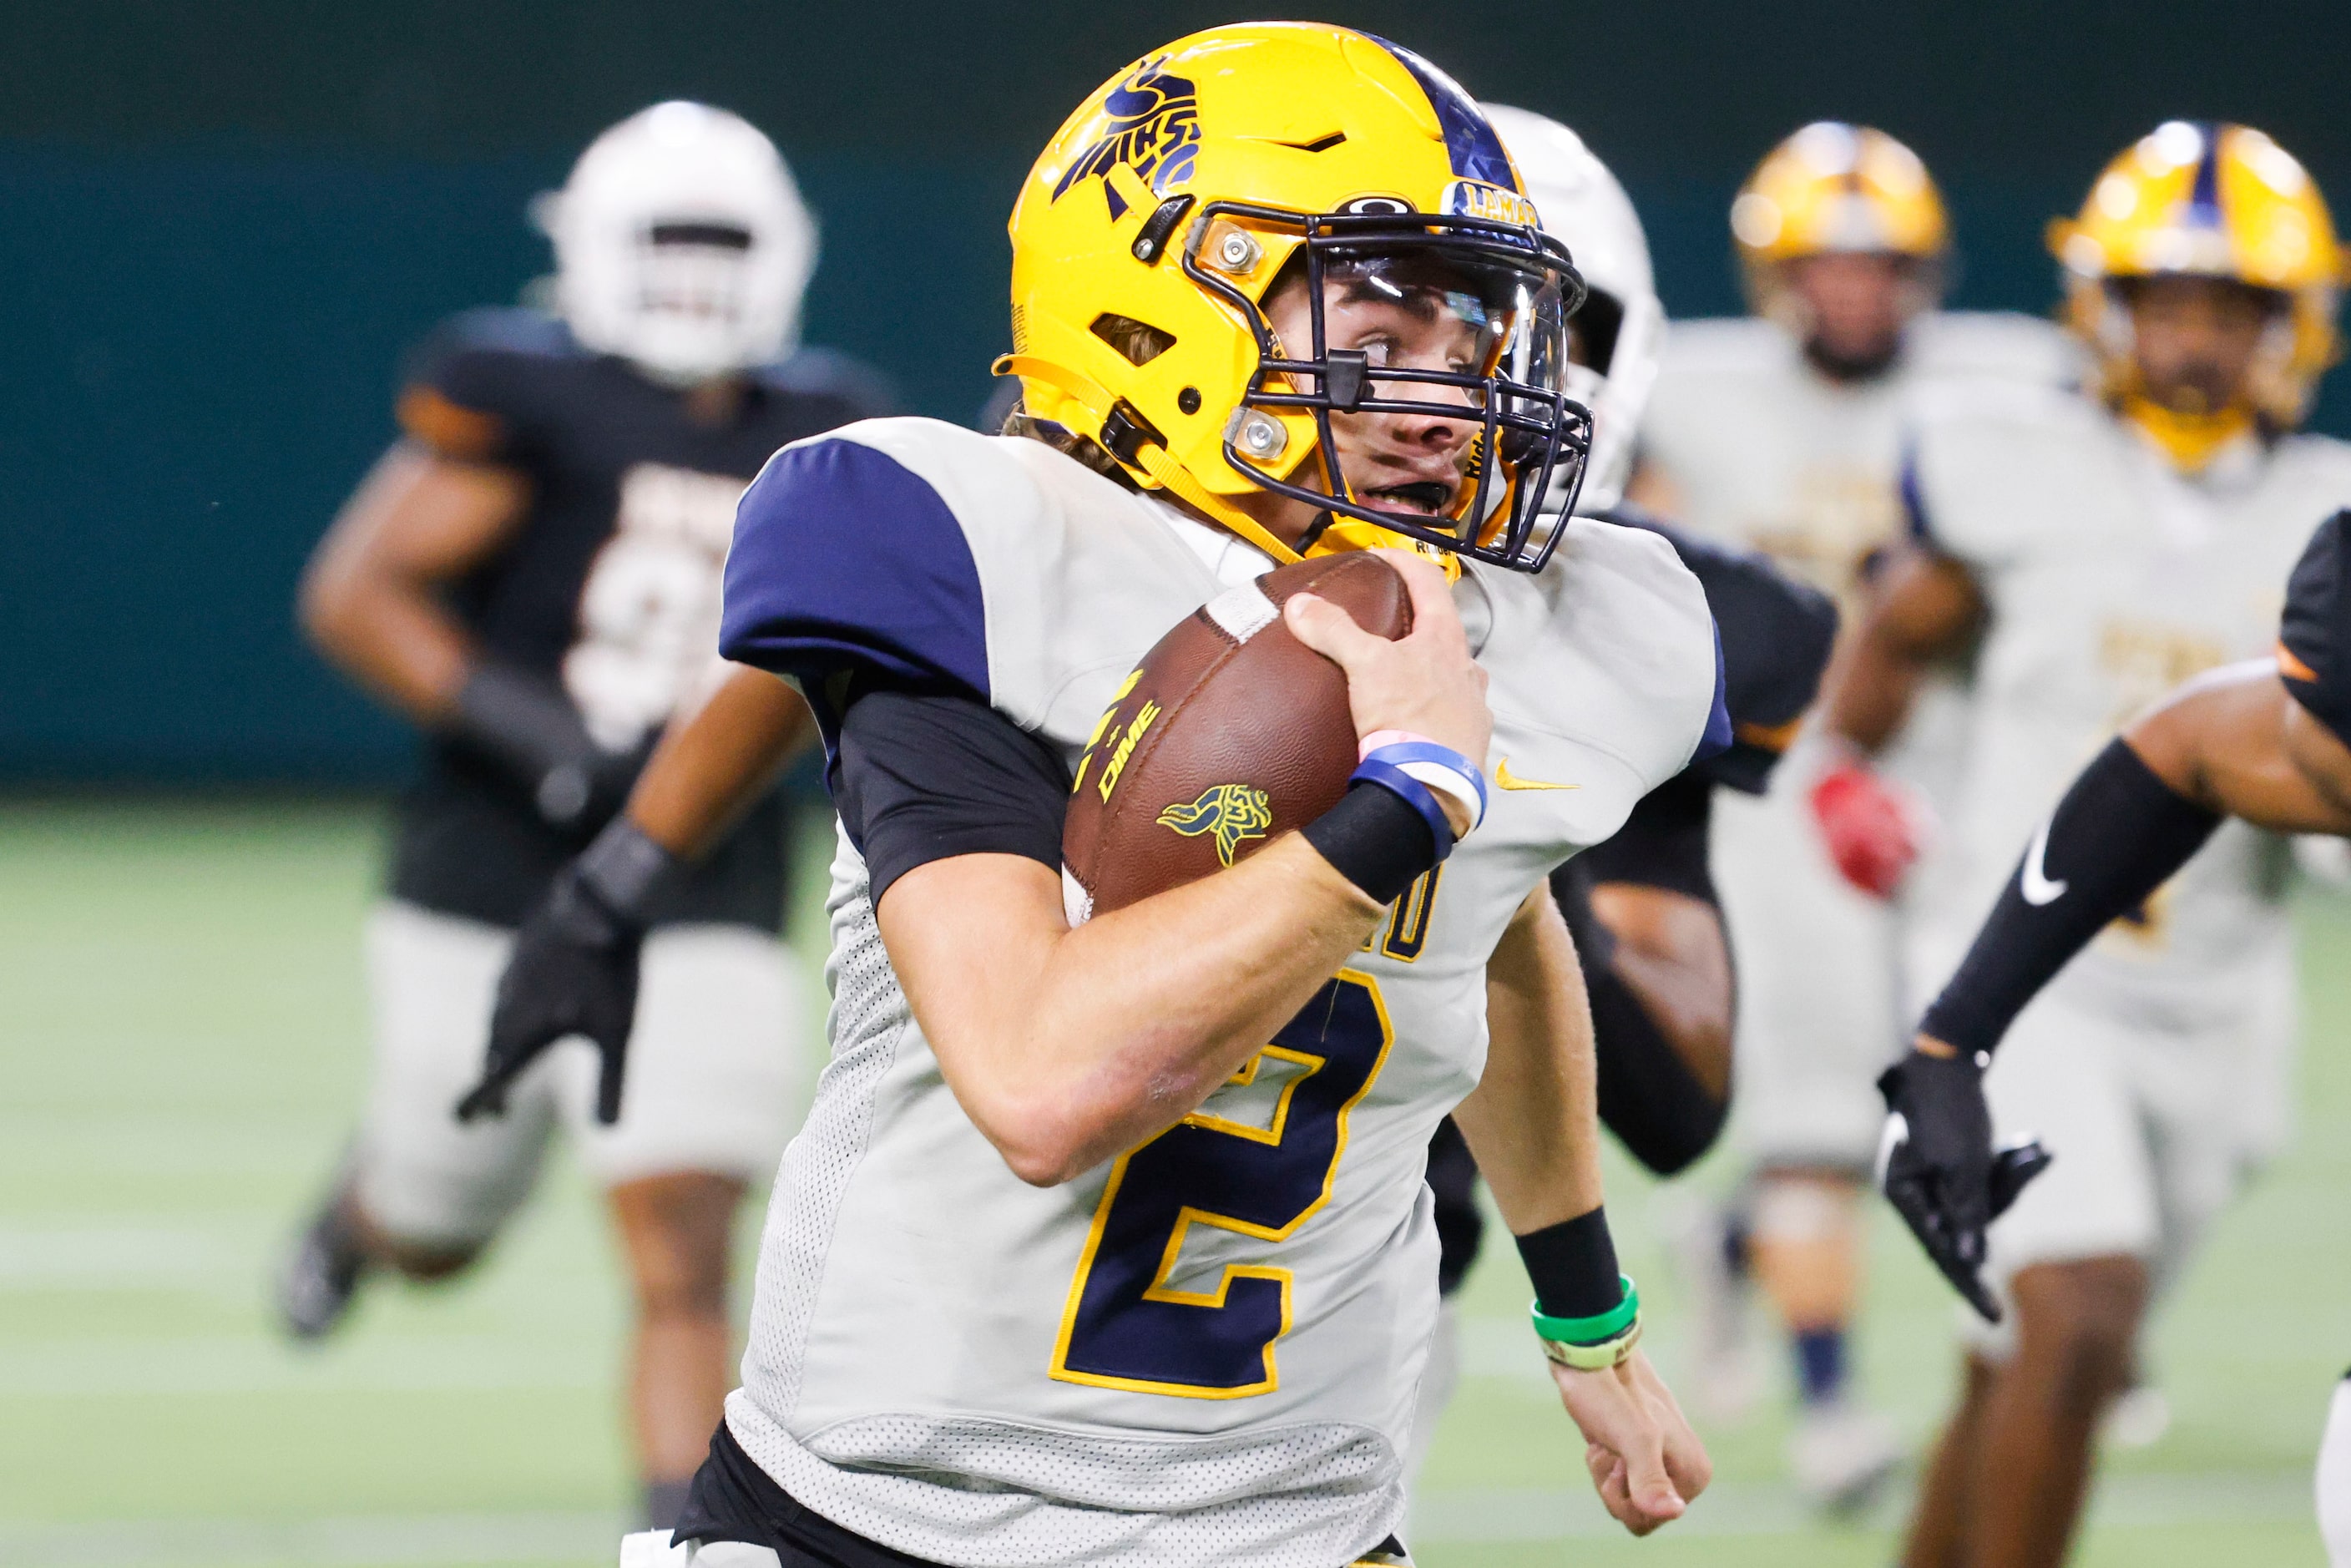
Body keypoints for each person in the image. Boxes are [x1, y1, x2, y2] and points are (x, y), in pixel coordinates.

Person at [549, 26, 1722, 1565]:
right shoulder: (965, 546)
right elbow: (1043, 1085)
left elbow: (1498, 926)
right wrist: (1402, 797)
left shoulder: (1551, 615)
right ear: (1160, 282)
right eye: (1384, 303)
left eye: (1474, 326)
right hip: (904, 1504)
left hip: (1304, 1519)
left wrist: (1590, 1315)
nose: (1449, 385)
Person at [276, 101, 889, 1529]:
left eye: (720, 242)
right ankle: (367, 1213)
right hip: (489, 868)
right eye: (669, 240)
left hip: (704, 864)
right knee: (440, 1224)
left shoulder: (828, 425)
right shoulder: (525, 394)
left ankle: (694, 1544)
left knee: (680, 1244)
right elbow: (356, 593)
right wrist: (542, 736)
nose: (693, 275)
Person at [1820, 121, 2351, 1568]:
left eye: (2231, 309)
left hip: (2221, 999)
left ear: (2290, 325)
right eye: (2170, 302)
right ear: (2107, 307)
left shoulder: (2326, 512)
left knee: (2032, 1352)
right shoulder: (2013, 466)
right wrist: (1840, 776)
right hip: (2014, 965)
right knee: (2082, 1303)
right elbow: (1896, 637)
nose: (2193, 339)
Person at [1631, 120, 2076, 1505]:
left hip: (1958, 780)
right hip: (1785, 793)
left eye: (1879, 264)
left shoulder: (2006, 383)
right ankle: (1832, 1409)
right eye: (1824, 265)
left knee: (1983, 1073)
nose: (1854, 291)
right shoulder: (1698, 392)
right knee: (1825, 1111)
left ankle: (1744, 1247)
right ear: (1775, 274)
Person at [1403, 104, 1837, 1482]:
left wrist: (1503, 814)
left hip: (1367, 1278)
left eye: (1551, 319)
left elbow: (1673, 1098)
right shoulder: (1104, 539)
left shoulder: (1651, 626)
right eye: (1434, 313)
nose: (1503, 367)